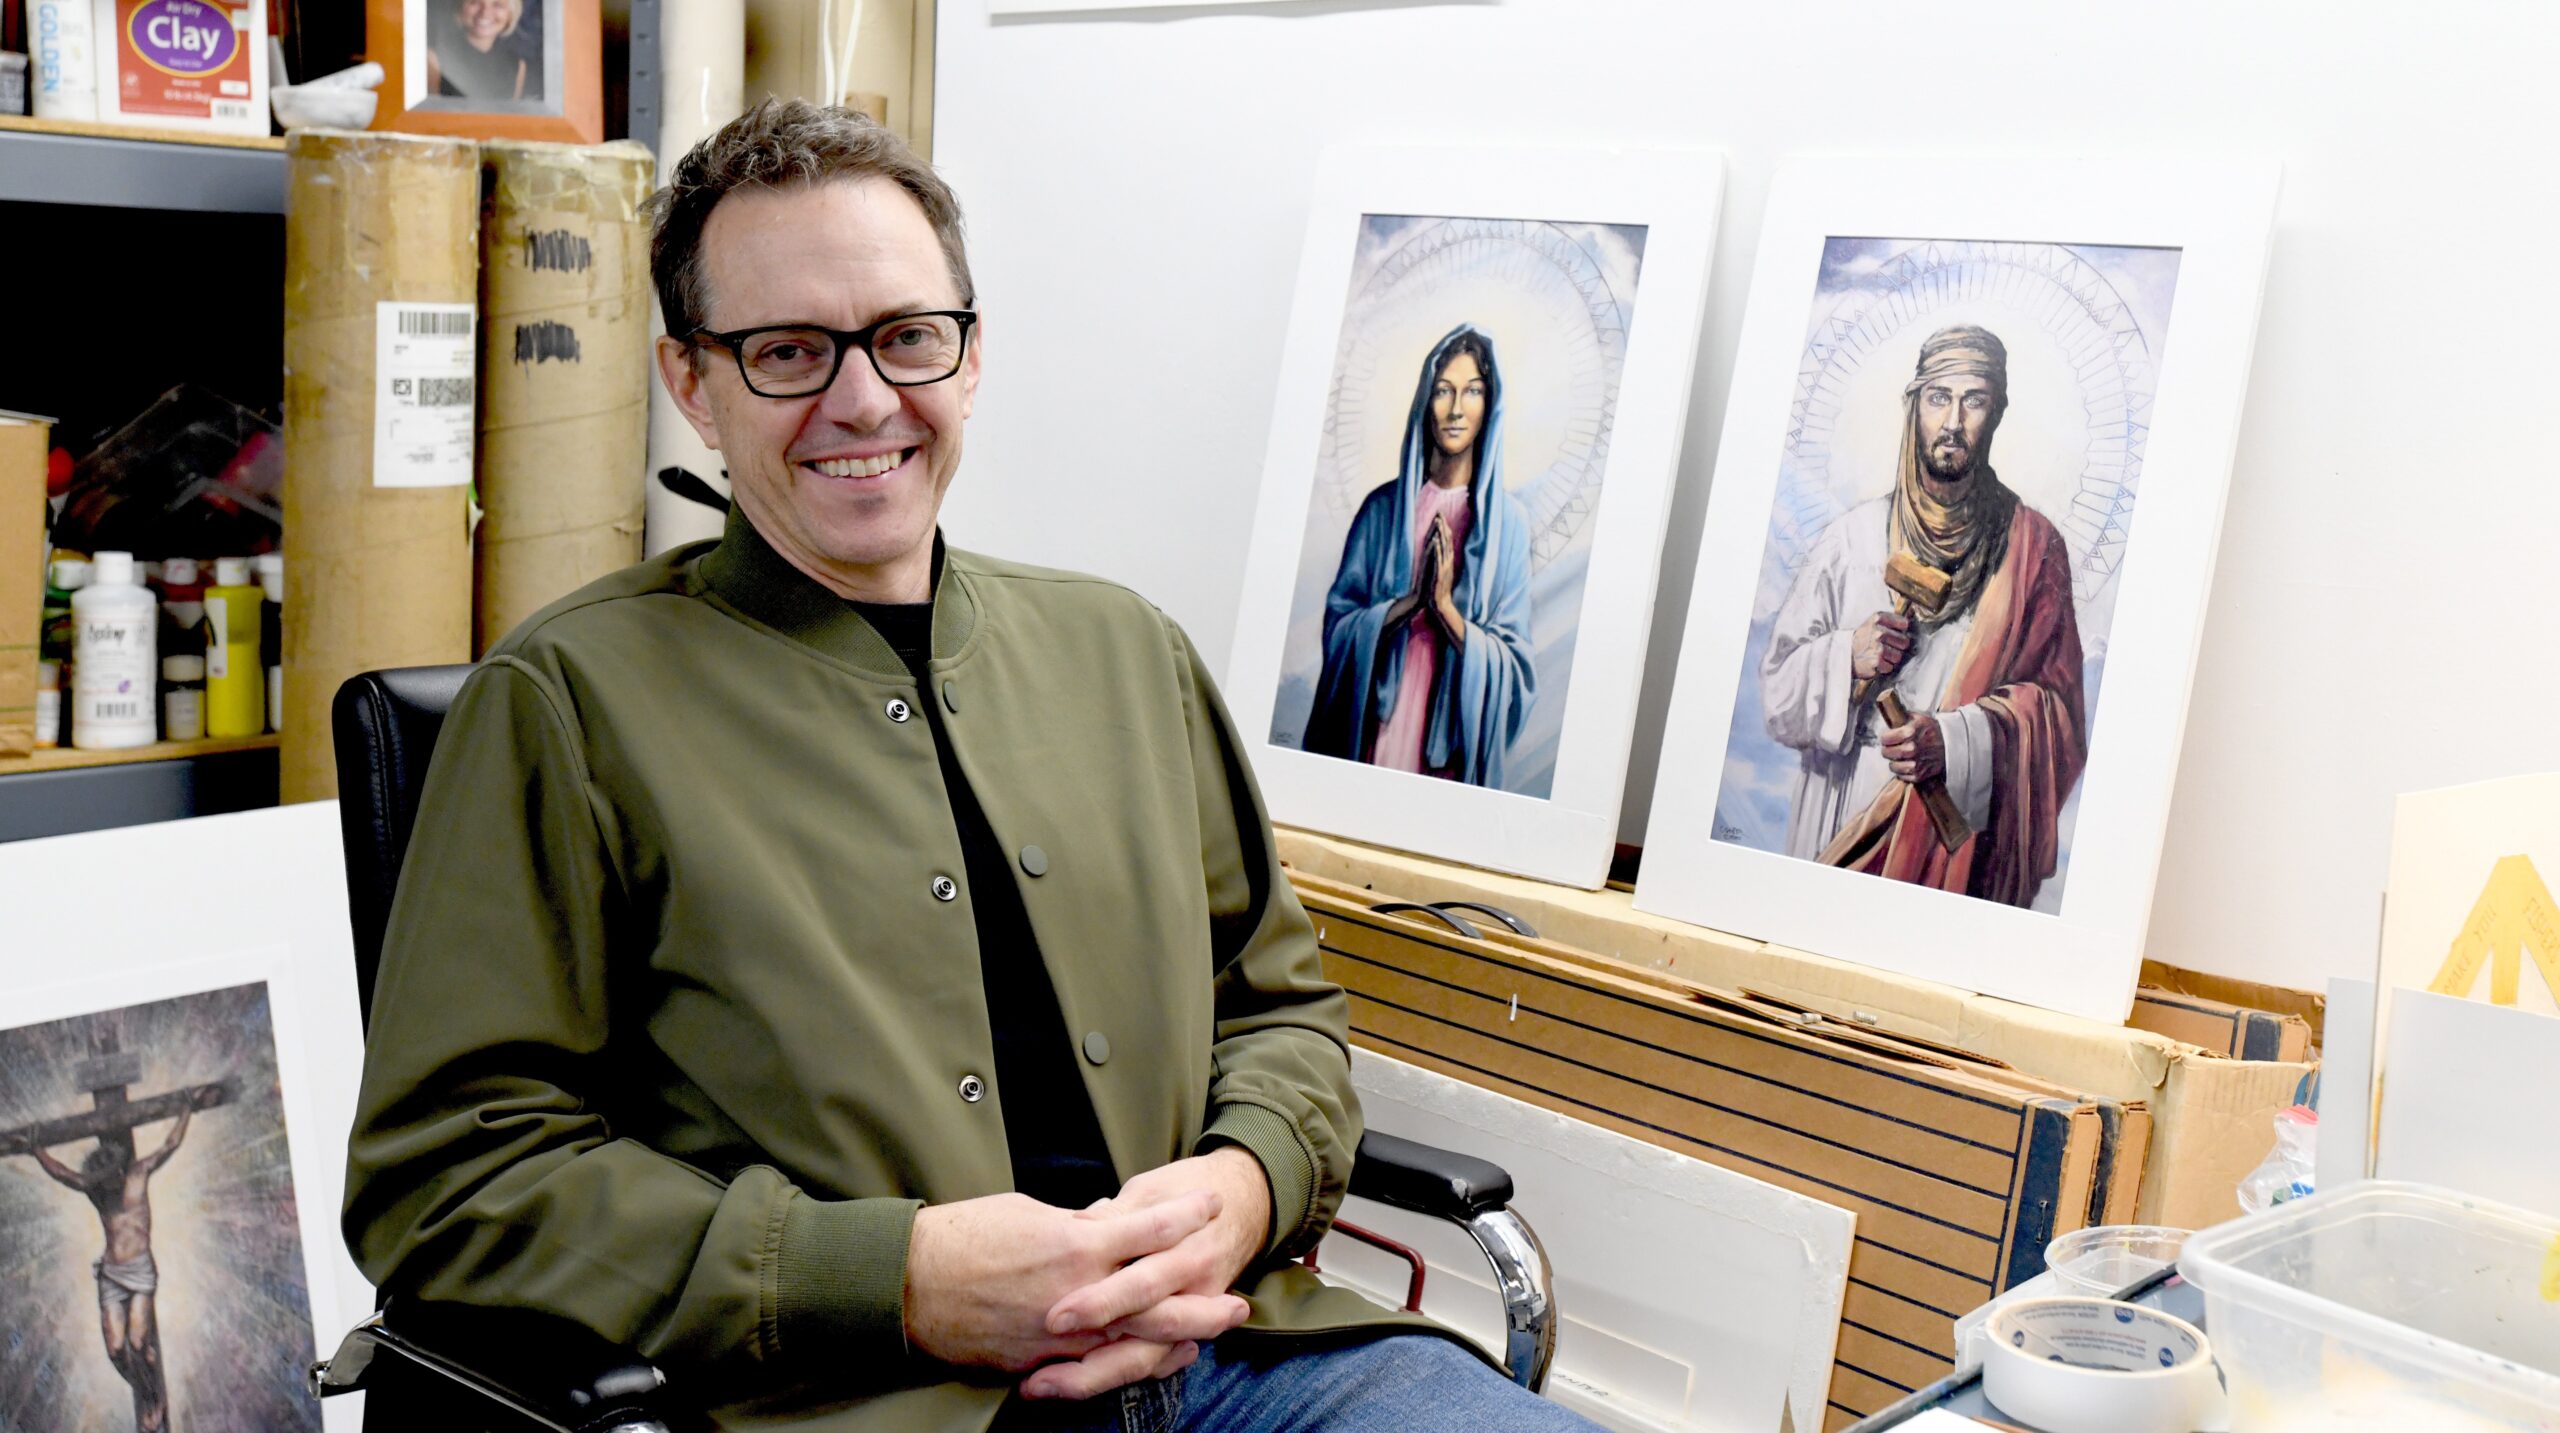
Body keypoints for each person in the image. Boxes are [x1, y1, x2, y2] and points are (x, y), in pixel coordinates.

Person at [342, 100, 1598, 1433]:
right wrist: (892, 1278)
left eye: (905, 336)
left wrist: (1248, 1182)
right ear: (692, 384)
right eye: (787, 351)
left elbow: (1278, 1010)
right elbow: (448, 1180)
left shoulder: (1129, 651)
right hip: (857, 1402)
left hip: (1237, 1354)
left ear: (971, 352)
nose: (863, 398)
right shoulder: (567, 704)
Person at [1758, 324, 2086, 907]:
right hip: (1844, 815)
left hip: (1955, 844)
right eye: (1939, 398)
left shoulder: (2033, 550)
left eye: (1974, 401)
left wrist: (1955, 742)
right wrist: (1846, 658)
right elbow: (1778, 699)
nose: (1953, 422)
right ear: (1914, 407)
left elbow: (2060, 721)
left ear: (1997, 414)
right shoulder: (1851, 540)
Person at [1299, 325, 1536, 788]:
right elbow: (1339, 628)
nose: (1455, 409)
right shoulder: (1381, 510)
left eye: (1472, 391)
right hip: (1378, 729)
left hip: (1447, 753)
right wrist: (1408, 605)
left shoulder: (1509, 527)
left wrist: (1445, 611)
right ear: (1425, 401)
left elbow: (1516, 672)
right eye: (1443, 390)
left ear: (1490, 406)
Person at [27, 1092, 212, 1433]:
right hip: (111, 1275)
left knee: (139, 1343)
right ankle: (147, 1389)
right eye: (102, 1181)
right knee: (116, 1349)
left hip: (140, 1271)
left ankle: (154, 1400)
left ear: (120, 1169)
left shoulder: (139, 1174)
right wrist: (38, 1150)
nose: (108, 1185)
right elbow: (64, 1174)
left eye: (111, 1177)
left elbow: (170, 1145)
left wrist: (185, 1109)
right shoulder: (96, 1190)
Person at [427, 0, 531, 103]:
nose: (485, 12)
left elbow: (510, 113)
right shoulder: (433, 57)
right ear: (461, 8)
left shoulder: (517, 65)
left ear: (510, 14)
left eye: (498, 5)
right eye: (475, 2)